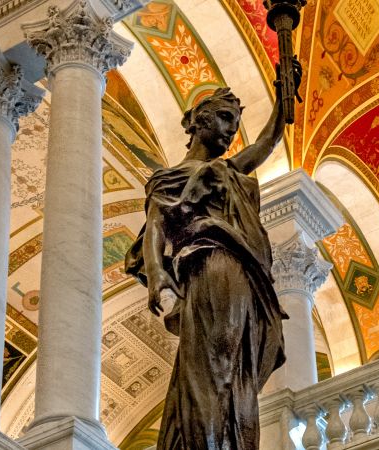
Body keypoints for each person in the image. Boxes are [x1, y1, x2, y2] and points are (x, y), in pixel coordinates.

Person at [126, 62, 301, 449]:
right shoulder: (171, 177)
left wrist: (282, 96)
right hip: (211, 263)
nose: (230, 130)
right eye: (223, 118)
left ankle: (228, 436)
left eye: (235, 124)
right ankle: (203, 437)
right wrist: (156, 273)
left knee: (238, 364)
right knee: (213, 358)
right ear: (198, 121)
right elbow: (156, 225)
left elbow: (264, 145)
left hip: (245, 275)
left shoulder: (226, 170)